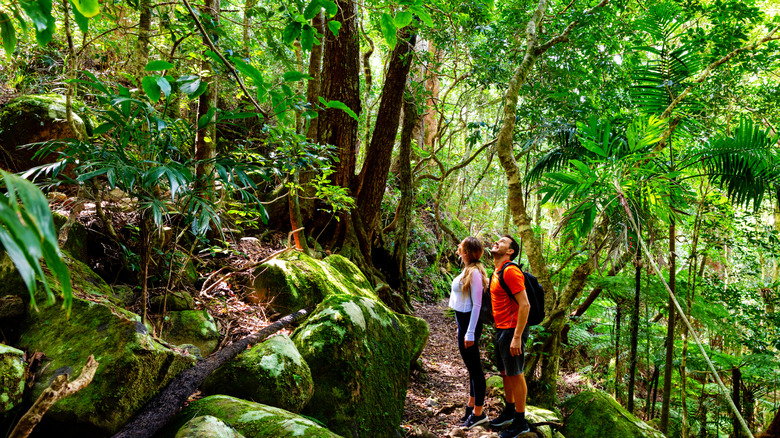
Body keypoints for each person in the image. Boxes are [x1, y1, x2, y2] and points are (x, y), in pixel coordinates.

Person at [488, 234, 532, 437]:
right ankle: (509, 411)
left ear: (510, 251)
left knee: (516, 373)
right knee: (505, 372)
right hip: (501, 329)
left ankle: (520, 422)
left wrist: (517, 336)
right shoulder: (496, 272)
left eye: (502, 242)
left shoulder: (511, 272)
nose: (496, 242)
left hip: (513, 330)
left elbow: (525, 305)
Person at [448, 236, 490, 429]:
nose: (458, 247)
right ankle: (471, 405)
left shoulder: (474, 273)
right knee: (471, 368)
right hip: (463, 322)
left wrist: (470, 332)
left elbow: (477, 304)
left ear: (466, 251)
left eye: (462, 245)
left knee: (475, 369)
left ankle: (478, 414)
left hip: (468, 324)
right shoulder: (468, 269)